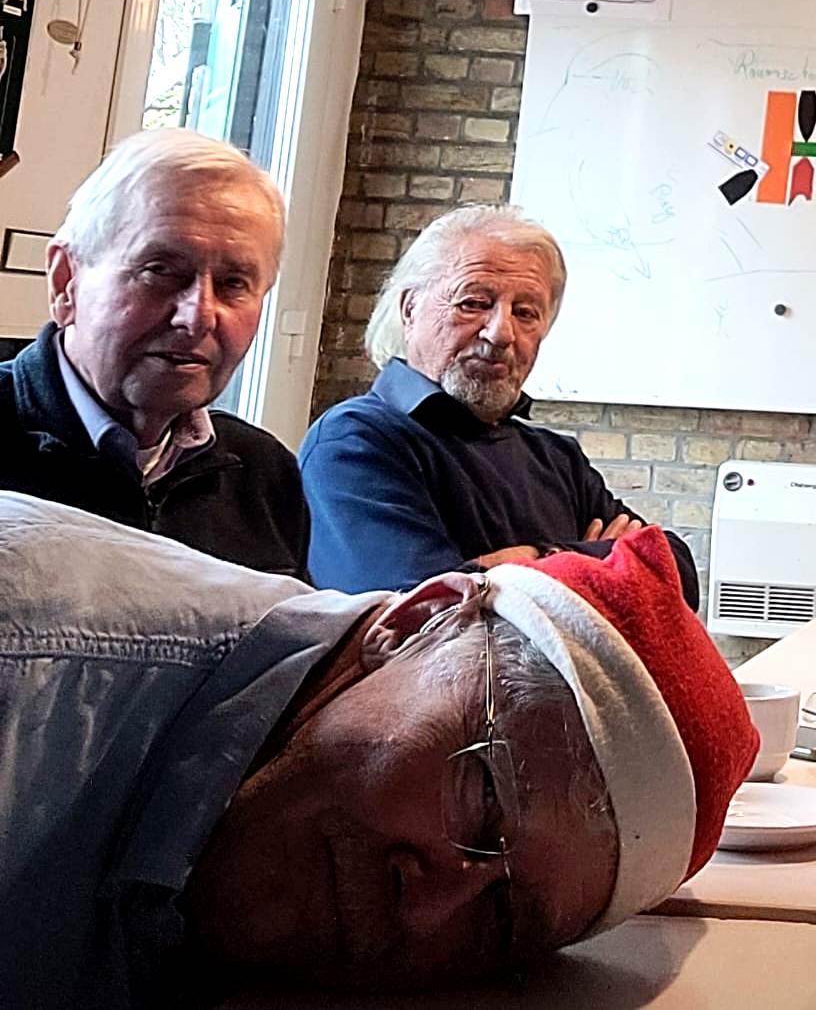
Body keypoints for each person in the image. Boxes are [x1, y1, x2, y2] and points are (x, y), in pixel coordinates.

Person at [0, 492, 755, 1008]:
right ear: (418, 619)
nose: (427, 912)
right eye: (483, 798)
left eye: (500, 917)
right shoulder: (25, 667)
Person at [300, 205, 671, 595]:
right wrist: (599, 563)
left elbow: (673, 568)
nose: (500, 333)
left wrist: (528, 561)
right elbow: (426, 613)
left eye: (525, 313)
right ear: (410, 309)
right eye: (474, 304)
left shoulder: (557, 458)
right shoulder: (354, 443)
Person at [0, 129, 308, 577]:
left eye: (233, 284)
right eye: (160, 271)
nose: (198, 317)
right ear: (66, 281)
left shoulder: (263, 475)